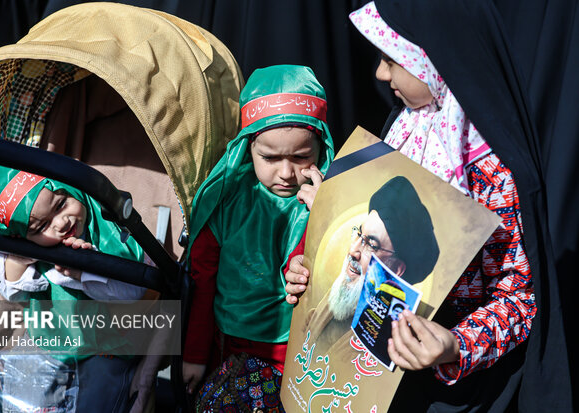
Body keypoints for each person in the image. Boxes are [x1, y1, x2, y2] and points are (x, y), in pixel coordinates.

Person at [284, 1, 555, 410]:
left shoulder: (492, 169)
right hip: (368, 377)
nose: (380, 73)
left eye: (392, 59)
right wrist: (315, 260)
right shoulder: (406, 125)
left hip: (454, 391)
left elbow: (521, 298)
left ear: (436, 59)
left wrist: (455, 344)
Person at [181, 64, 334, 410]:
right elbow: (203, 282)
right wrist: (194, 355)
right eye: (270, 157)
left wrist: (326, 214)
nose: (285, 173)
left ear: (321, 146)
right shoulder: (223, 201)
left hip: (303, 358)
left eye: (301, 157)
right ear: (247, 147)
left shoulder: (332, 199)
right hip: (229, 351)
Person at [0, 163, 146, 413]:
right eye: (41, 227)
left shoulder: (107, 226)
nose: (61, 223)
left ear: (69, 189)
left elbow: (134, 292)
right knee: (23, 388)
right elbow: (11, 291)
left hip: (107, 346)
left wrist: (85, 271)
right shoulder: (26, 246)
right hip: (48, 342)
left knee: (99, 395)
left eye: (61, 205)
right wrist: (20, 258)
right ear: (21, 236)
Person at [304, 176, 439, 355]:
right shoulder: (339, 296)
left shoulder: (391, 340)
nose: (353, 250)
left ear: (396, 269)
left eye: (371, 245)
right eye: (359, 234)